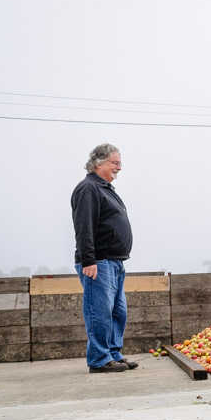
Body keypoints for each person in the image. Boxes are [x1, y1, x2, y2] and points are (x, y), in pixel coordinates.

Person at [71, 144, 138, 373]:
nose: (119, 167)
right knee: (99, 312)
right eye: (115, 162)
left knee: (118, 312)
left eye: (120, 163)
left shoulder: (106, 189)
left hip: (115, 261)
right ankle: (99, 359)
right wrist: (89, 259)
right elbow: (84, 227)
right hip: (98, 262)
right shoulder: (89, 189)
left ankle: (113, 354)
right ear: (99, 163)